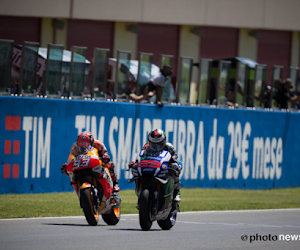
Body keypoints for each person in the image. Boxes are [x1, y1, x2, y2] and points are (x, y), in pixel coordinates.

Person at [129, 129, 182, 208]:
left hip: (164, 168)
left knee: (175, 171)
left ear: (163, 142)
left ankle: (176, 193)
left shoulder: (169, 147)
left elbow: (175, 158)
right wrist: (135, 163)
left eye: (158, 144)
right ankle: (140, 192)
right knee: (137, 174)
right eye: (153, 144)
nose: (155, 146)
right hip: (151, 167)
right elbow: (141, 157)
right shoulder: (146, 147)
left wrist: (174, 164)